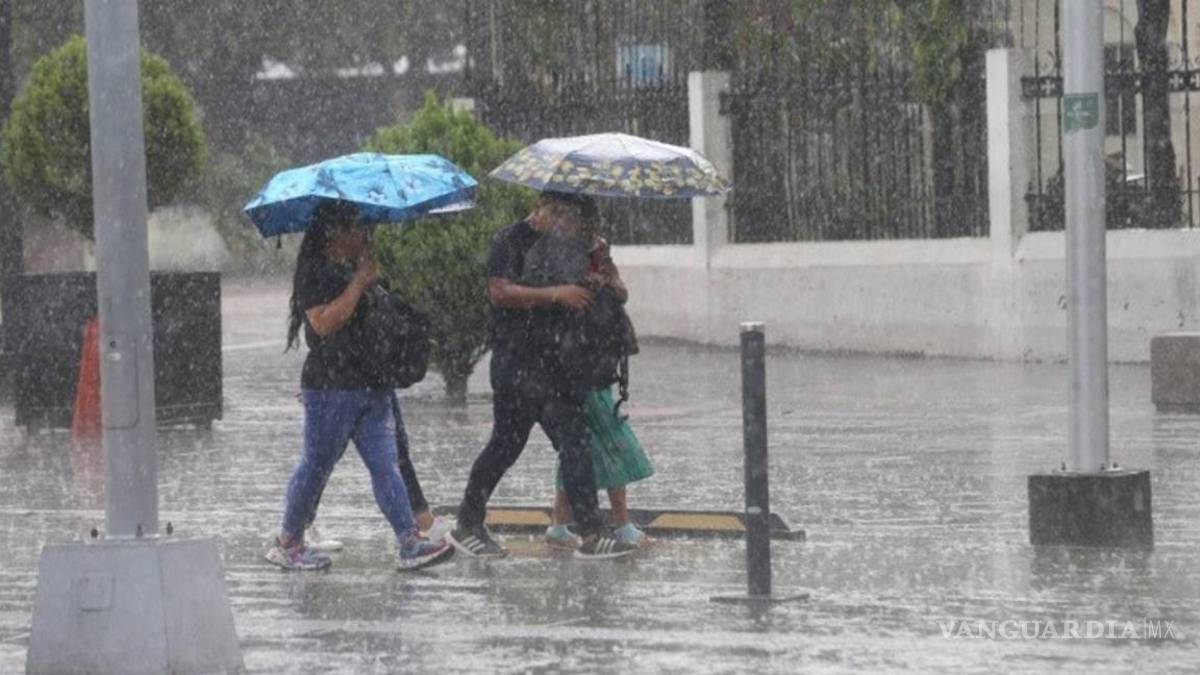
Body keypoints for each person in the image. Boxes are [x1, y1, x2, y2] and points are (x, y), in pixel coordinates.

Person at [446, 192, 639, 560]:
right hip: (517, 364)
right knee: (505, 446)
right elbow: (500, 292)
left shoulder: (575, 246)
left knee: (575, 443)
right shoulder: (509, 240)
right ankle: (468, 522)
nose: (564, 224)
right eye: (559, 215)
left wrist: (598, 284)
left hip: (560, 365)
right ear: (541, 208)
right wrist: (557, 294)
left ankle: (591, 532)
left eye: (571, 218)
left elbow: (593, 294)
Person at [265, 201, 453, 571]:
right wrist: (358, 284)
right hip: (332, 388)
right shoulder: (316, 271)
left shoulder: (359, 267)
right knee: (316, 465)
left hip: (372, 383)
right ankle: (288, 541)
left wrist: (372, 282)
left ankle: (409, 540)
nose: (364, 236)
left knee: (386, 465)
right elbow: (323, 323)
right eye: (356, 229)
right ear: (334, 232)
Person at [531, 201, 654, 549]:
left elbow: (621, 293)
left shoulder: (598, 250)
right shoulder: (552, 254)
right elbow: (552, 301)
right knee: (610, 442)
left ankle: (559, 524)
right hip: (573, 364)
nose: (587, 225)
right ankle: (620, 523)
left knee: (578, 450)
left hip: (598, 360)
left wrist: (606, 278)